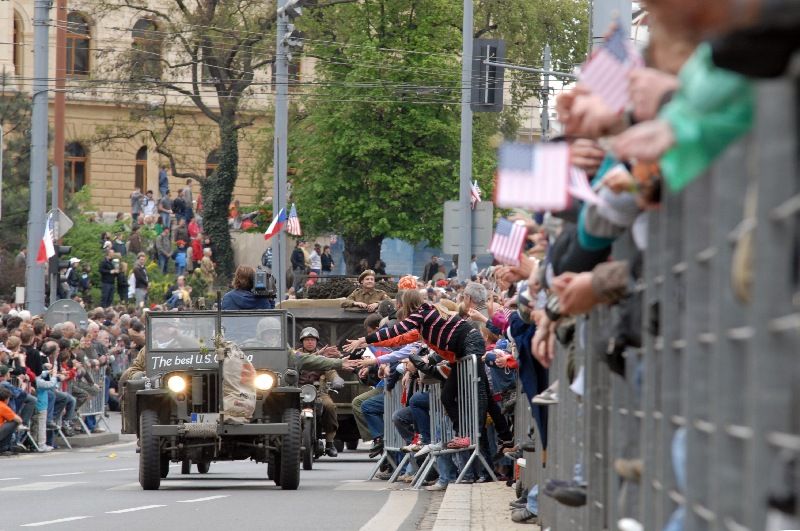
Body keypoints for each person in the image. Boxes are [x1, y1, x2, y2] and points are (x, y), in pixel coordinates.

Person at [0, 387, 24, 455]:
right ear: (6, 399)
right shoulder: (3, 406)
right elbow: (19, 420)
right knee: (14, 422)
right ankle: (3, 448)